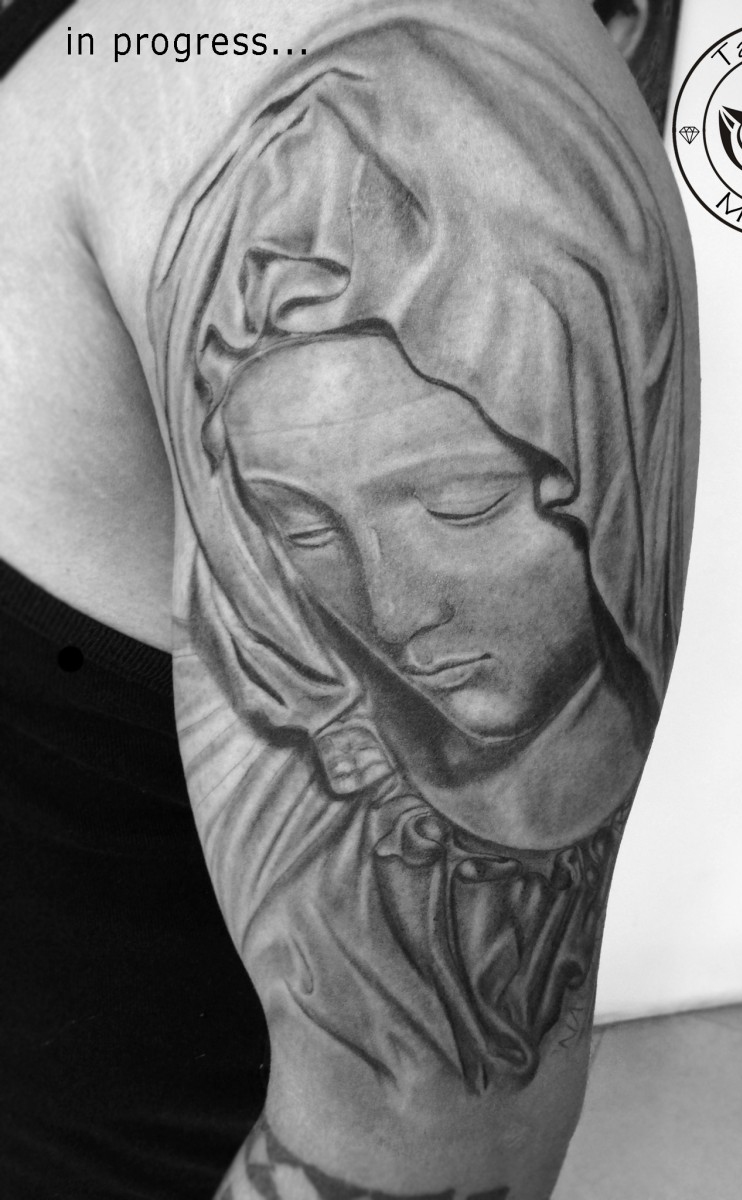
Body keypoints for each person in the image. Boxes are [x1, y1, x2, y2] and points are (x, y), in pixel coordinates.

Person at [0, 1, 697, 1196]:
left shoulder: (325, 49)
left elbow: (437, 1142)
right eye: (304, 527)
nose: (390, 612)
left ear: (596, 470)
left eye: (462, 505)